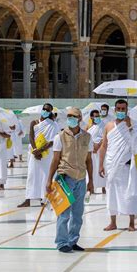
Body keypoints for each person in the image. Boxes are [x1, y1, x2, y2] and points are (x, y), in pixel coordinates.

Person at [46, 107, 94, 253]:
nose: (70, 118)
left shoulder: (87, 137)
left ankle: (73, 240)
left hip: (80, 178)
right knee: (64, 213)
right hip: (65, 177)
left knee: (78, 214)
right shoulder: (59, 136)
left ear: (79, 118)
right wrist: (49, 180)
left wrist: (91, 180)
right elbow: (55, 160)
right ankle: (62, 242)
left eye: (73, 116)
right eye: (69, 116)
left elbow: (89, 160)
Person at [99, 99, 137, 231]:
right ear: (114, 110)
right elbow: (104, 146)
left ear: (127, 109)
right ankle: (113, 222)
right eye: (118, 109)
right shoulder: (108, 126)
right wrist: (100, 165)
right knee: (112, 192)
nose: (121, 111)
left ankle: (131, 223)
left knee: (129, 193)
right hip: (112, 164)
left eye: (123, 109)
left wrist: (130, 127)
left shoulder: (134, 125)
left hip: (126, 164)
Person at [18, 103, 60, 208]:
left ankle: (44, 198)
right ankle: (28, 199)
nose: (45, 111)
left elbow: (52, 141)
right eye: (44, 109)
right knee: (32, 176)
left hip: (46, 155)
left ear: (50, 112)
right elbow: (31, 137)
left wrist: (41, 150)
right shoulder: (34, 122)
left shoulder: (53, 125)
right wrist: (35, 150)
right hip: (34, 153)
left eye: (48, 110)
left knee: (45, 176)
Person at [86, 110, 106, 194]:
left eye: (98, 116)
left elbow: (104, 137)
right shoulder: (89, 127)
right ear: (91, 117)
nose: (97, 118)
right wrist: (93, 146)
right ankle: (91, 186)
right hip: (91, 150)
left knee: (101, 167)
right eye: (95, 116)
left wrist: (98, 146)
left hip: (100, 150)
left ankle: (103, 187)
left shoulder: (103, 125)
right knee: (92, 169)